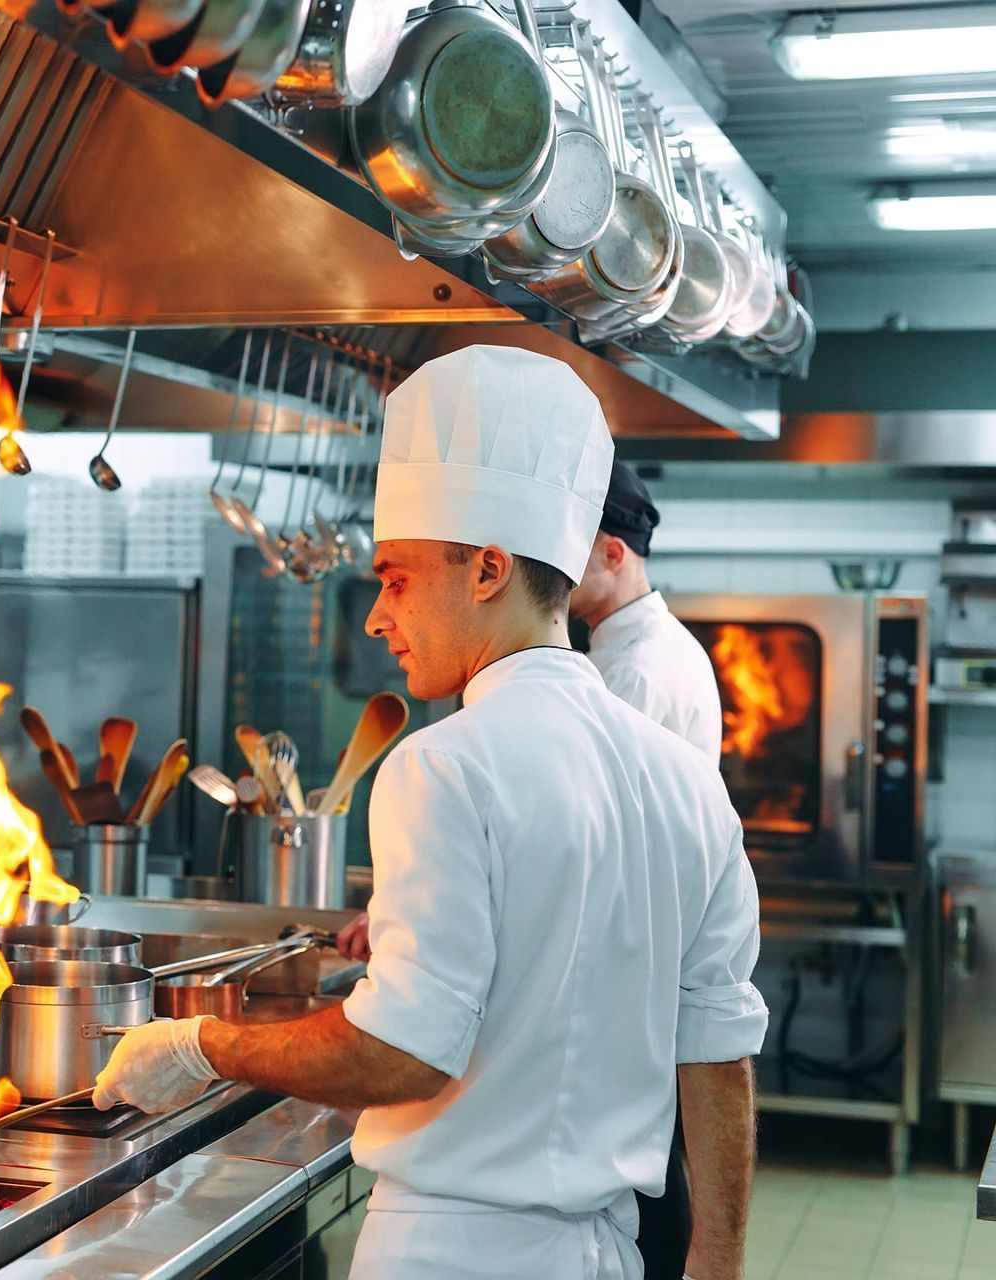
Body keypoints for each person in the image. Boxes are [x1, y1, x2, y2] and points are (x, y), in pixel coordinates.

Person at [94, 345, 766, 1280]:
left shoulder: (440, 767)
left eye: (396, 578)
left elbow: (404, 1052)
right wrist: (717, 1265)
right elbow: (718, 1052)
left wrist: (199, 1046)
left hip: (452, 1254)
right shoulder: (689, 785)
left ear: (487, 568)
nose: (375, 617)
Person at [568, 458, 727, 1280]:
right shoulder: (662, 648)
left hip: (633, 970)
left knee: (649, 1196)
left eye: (571, 549)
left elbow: (586, 845)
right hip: (648, 969)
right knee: (655, 1180)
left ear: (615, 553)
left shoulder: (628, 671)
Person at [570, 458, 722, 757]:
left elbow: (596, 793)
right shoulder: (662, 641)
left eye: (569, 556)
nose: (558, 573)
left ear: (612, 555)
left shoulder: (632, 670)